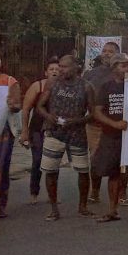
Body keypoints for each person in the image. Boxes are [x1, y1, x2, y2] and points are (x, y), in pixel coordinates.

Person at [36, 54, 95, 221]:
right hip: (54, 133)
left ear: (76, 67)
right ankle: (54, 208)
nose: (61, 70)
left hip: (77, 134)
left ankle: (83, 206)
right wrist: (48, 116)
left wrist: (76, 120)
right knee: (51, 170)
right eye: (60, 66)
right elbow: (40, 106)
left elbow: (93, 113)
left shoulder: (86, 87)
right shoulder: (53, 83)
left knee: (83, 171)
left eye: (65, 67)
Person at [92, 53, 128, 223]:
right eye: (123, 66)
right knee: (113, 175)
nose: (127, 68)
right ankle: (113, 210)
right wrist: (114, 124)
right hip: (112, 136)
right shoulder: (106, 87)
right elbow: (97, 112)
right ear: (114, 68)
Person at [83, 39, 120, 205]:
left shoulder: (123, 73)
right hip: (95, 124)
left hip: (119, 124)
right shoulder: (90, 74)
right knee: (96, 158)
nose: (106, 53)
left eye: (111, 51)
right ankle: (95, 191)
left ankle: (120, 193)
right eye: (104, 50)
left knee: (119, 160)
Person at [19, 56, 60, 205]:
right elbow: (25, 109)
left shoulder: (63, 88)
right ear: (46, 72)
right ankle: (34, 192)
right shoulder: (38, 86)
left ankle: (52, 195)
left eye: (57, 69)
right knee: (37, 161)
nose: (54, 71)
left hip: (55, 131)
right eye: (51, 69)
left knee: (53, 163)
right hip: (37, 130)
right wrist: (24, 131)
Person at [0, 46, 22, 218]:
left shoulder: (10, 81)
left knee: (1, 168)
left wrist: (13, 106)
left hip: (2, 132)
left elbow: (17, 106)